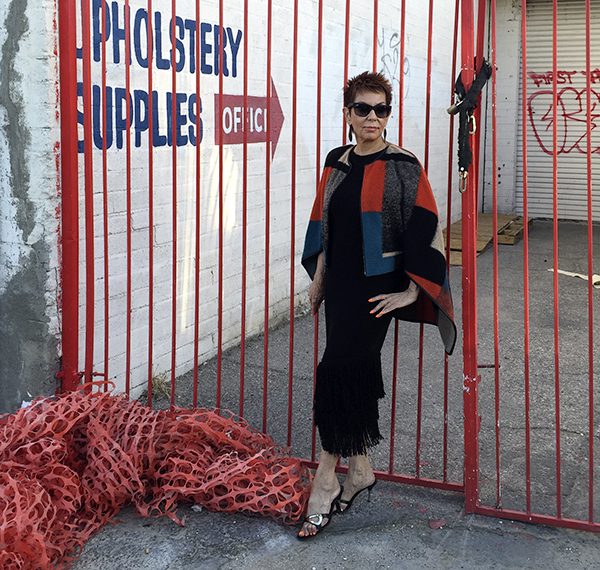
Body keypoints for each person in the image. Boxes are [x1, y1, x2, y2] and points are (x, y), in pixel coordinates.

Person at [298, 71, 456, 539]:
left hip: (377, 288)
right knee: (356, 373)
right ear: (348, 114)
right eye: (363, 108)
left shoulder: (402, 164)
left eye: (381, 109)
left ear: (388, 114)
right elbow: (324, 224)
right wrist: (320, 278)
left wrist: (412, 290)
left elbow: (426, 225)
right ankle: (361, 470)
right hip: (343, 285)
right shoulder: (337, 161)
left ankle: (325, 480)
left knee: (337, 370)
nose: (373, 117)